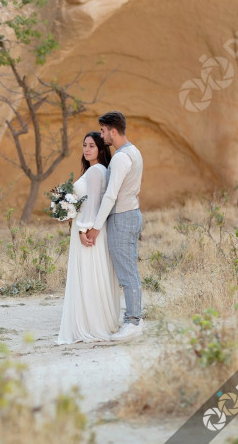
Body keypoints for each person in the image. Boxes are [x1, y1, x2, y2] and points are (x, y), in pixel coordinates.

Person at [83, 111, 144, 341]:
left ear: (113, 130)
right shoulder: (134, 151)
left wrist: (96, 227)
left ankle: (133, 322)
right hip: (132, 213)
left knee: (127, 273)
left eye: (103, 131)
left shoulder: (119, 158)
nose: (102, 135)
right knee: (130, 271)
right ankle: (135, 318)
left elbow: (111, 195)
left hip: (122, 217)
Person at [57, 132, 120, 344]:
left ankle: (91, 324)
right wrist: (66, 211)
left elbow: (94, 204)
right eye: (84, 145)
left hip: (88, 232)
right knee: (92, 275)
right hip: (89, 228)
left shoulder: (96, 171)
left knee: (89, 274)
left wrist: (83, 230)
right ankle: (96, 320)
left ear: (101, 149)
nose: (87, 149)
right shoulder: (98, 170)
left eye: (92, 145)